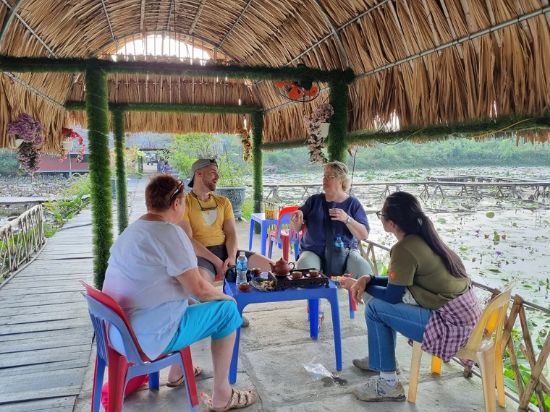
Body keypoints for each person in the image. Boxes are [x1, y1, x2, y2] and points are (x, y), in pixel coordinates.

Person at [102, 175, 257, 411]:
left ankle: (178, 372)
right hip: (147, 337)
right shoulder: (170, 234)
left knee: (190, 303)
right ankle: (222, 394)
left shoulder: (131, 232)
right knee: (227, 311)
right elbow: (200, 289)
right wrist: (228, 298)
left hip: (116, 333)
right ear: (177, 204)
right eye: (183, 203)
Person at [341, 191, 481, 402]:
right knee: (379, 307)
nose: (380, 218)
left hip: (452, 327)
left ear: (392, 223)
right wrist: (367, 279)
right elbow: (397, 282)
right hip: (468, 321)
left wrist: (357, 285)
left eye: (382, 214)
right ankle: (380, 360)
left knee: (375, 308)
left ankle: (388, 383)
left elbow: (393, 296)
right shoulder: (424, 238)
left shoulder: (404, 248)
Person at [180, 158, 273, 325]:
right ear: (198, 174)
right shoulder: (184, 203)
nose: (217, 177)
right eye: (213, 173)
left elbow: (231, 233)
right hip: (201, 255)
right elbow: (188, 240)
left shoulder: (223, 202)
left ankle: (228, 309)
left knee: (274, 268)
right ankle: (231, 313)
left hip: (226, 250)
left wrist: (230, 257)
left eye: (217, 173)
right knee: (202, 289)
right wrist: (216, 261)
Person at [290, 161, 373, 276]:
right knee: (304, 266)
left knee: (364, 270)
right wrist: (296, 221)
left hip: (345, 252)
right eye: (324, 175)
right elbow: (297, 228)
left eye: (330, 176)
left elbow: (364, 235)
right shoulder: (314, 201)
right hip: (313, 251)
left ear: (341, 180)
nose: (324, 179)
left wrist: (347, 219)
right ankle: (313, 293)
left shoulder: (353, 204)